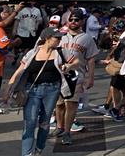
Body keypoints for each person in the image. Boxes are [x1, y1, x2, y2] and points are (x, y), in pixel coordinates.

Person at [5, 28, 76, 156]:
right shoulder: (32, 53)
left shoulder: (60, 52)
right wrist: (9, 87)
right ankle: (27, 154)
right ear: (47, 39)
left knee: (44, 122)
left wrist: (69, 66)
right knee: (30, 123)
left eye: (60, 38)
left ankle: (39, 149)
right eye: (57, 38)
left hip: (52, 90)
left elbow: (77, 61)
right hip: (32, 91)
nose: (60, 40)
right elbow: (20, 70)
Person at [55, 10, 98, 145]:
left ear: (82, 21)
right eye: (71, 19)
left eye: (76, 20)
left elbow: (91, 59)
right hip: (59, 75)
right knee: (59, 104)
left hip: (76, 76)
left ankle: (67, 132)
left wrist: (90, 77)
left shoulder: (87, 38)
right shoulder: (60, 36)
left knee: (71, 104)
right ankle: (60, 127)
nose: (73, 22)